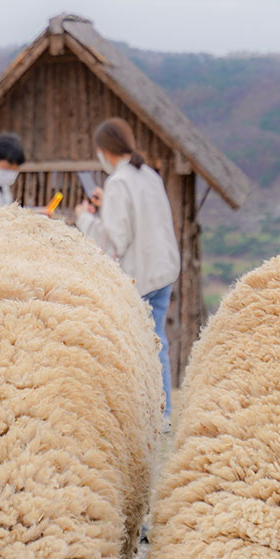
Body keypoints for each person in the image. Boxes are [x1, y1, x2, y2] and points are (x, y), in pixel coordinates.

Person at [76, 117, 181, 422]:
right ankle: (164, 412)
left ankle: (156, 414)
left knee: (143, 344)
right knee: (158, 339)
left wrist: (85, 219)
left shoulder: (119, 181)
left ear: (105, 151)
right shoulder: (147, 174)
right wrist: (107, 204)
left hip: (142, 274)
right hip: (164, 268)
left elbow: (113, 241)